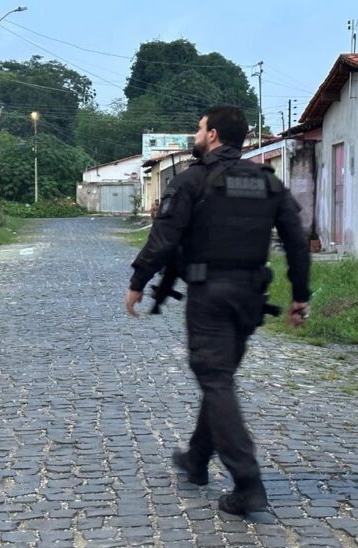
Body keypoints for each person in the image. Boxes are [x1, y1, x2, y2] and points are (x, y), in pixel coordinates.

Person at [125, 105, 310, 516]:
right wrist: (301, 296)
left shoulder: (193, 180)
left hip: (210, 294)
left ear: (213, 135)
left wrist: (138, 283)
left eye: (199, 126)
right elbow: (297, 241)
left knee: (214, 378)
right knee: (219, 376)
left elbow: (165, 237)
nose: (196, 131)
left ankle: (248, 482)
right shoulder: (268, 183)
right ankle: (196, 459)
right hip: (250, 297)